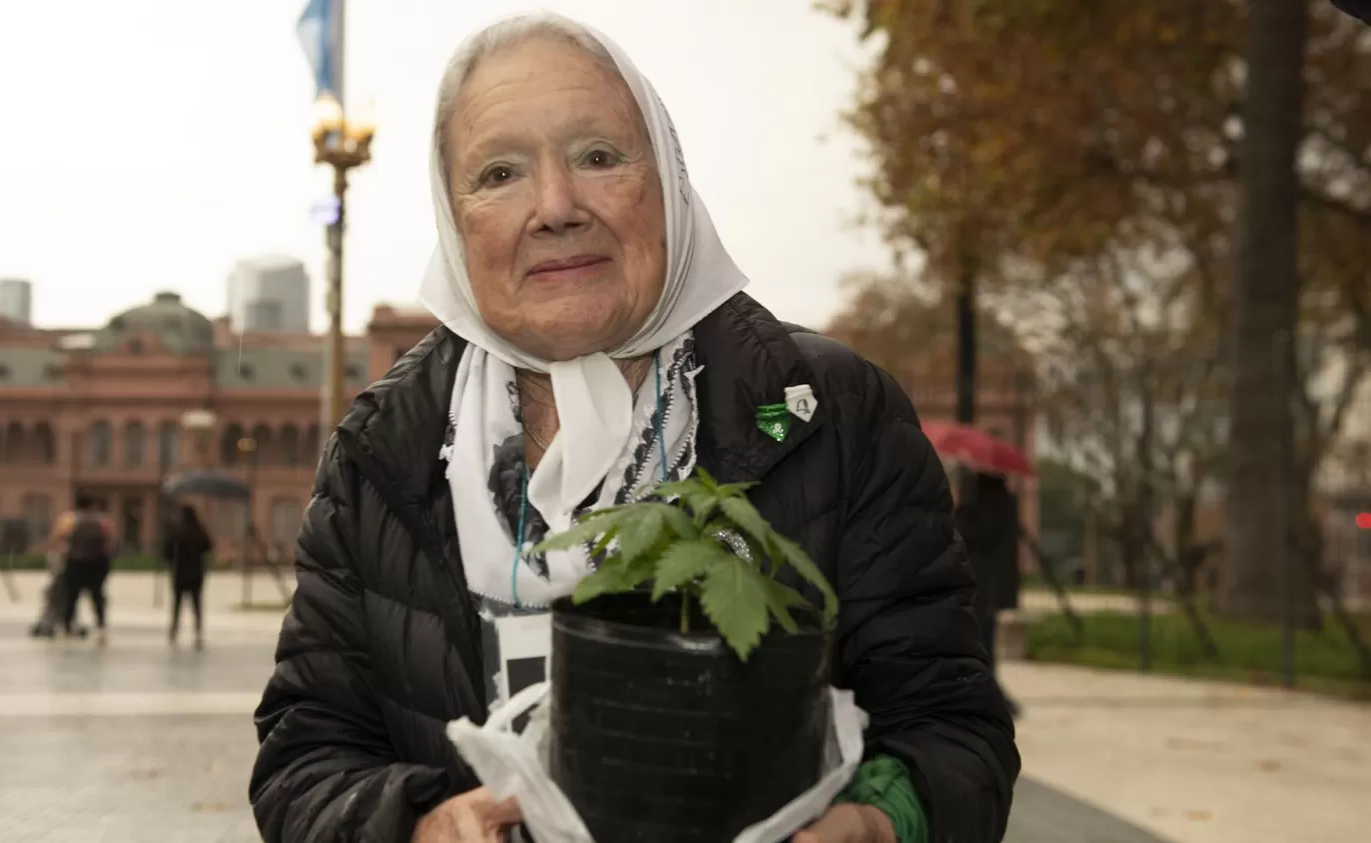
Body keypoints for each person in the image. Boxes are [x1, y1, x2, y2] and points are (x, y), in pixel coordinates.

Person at [250, 13, 1018, 843]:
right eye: (500, 172)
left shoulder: (832, 410)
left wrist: (880, 823)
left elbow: (951, 728)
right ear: (452, 216)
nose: (555, 206)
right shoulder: (383, 449)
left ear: (669, 178)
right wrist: (417, 826)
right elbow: (306, 757)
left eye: (599, 156)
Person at [955, 471, 1023, 718]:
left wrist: (960, 513)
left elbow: (970, 535)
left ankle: (991, 699)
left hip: (979, 588)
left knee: (979, 646)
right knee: (982, 646)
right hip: (989, 589)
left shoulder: (984, 508)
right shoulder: (1004, 504)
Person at [58, 498, 114, 646]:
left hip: (75, 562)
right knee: (97, 595)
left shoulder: (70, 520)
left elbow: (60, 539)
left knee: (71, 596)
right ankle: (101, 626)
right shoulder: (102, 521)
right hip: (97, 562)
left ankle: (66, 627)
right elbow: (110, 541)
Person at [163, 504, 213, 649]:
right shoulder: (199, 532)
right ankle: (198, 631)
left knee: (177, 603)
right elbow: (208, 547)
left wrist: (172, 562)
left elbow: (166, 552)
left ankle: (174, 630)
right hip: (196, 572)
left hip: (179, 572)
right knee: (196, 603)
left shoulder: (175, 532)